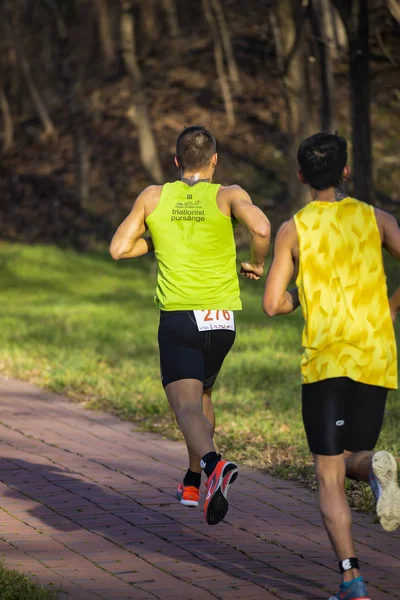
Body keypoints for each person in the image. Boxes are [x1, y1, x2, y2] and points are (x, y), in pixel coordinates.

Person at [263, 132, 400, 600]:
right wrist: (391, 309)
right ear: (345, 171)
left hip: (325, 362)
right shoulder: (377, 219)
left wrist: (301, 293)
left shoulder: (293, 229)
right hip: (376, 356)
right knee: (352, 459)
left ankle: (352, 579)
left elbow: (271, 304)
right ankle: (375, 466)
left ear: (301, 176)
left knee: (328, 473)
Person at [110, 125, 270, 525]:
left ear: (177, 162)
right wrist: (257, 263)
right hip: (222, 322)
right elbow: (263, 228)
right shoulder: (229, 194)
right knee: (203, 397)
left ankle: (215, 465)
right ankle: (193, 480)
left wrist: (157, 240)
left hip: (180, 318)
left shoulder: (153, 196)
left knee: (184, 405)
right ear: (214, 160)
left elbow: (118, 249)